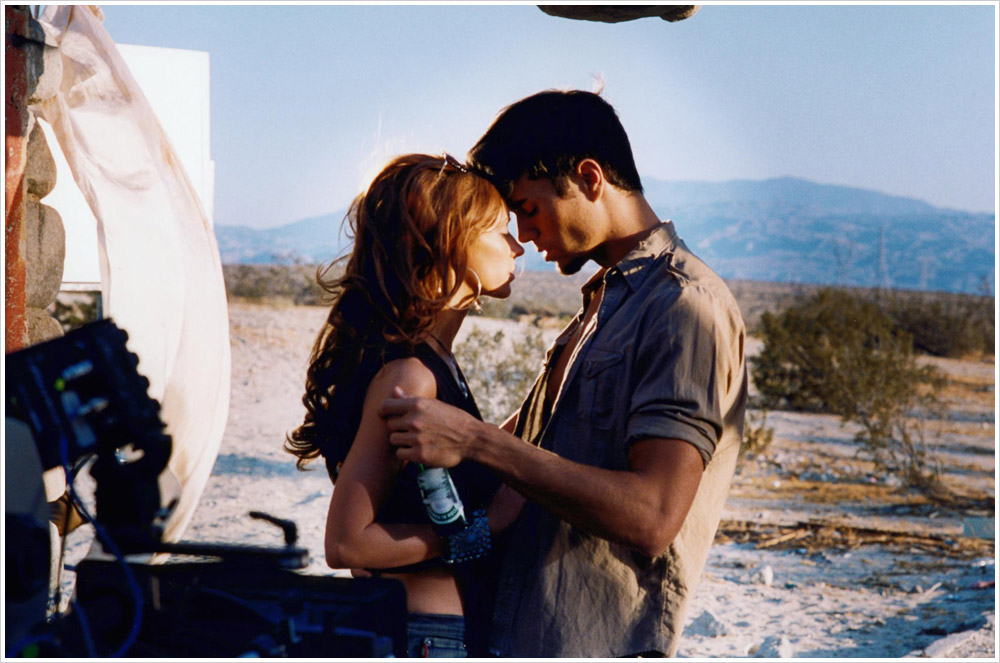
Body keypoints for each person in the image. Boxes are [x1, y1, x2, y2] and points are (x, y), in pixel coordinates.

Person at [379, 90, 749, 657]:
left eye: (528, 209)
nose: (524, 237)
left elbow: (653, 516)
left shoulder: (684, 306)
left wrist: (476, 442)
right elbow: (526, 462)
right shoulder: (601, 307)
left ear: (589, 178)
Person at [284, 153, 526, 657]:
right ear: (451, 242)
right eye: (502, 231)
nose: (517, 246)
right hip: (425, 637)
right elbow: (348, 543)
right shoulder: (410, 375)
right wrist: (484, 528)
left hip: (436, 633)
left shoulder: (433, 360)